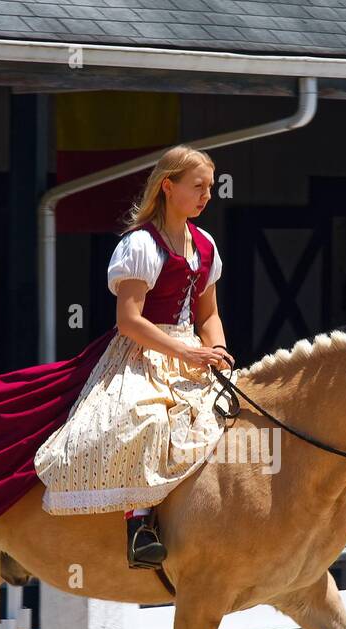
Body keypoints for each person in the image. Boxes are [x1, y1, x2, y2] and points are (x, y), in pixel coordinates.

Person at [33, 145, 234, 569]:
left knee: (230, 415)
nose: (207, 196)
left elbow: (209, 313)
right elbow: (129, 320)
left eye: (210, 188)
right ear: (168, 186)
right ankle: (139, 524)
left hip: (192, 351)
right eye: (198, 186)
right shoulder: (142, 244)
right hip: (144, 350)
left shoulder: (205, 245)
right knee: (143, 417)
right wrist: (183, 350)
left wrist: (216, 349)